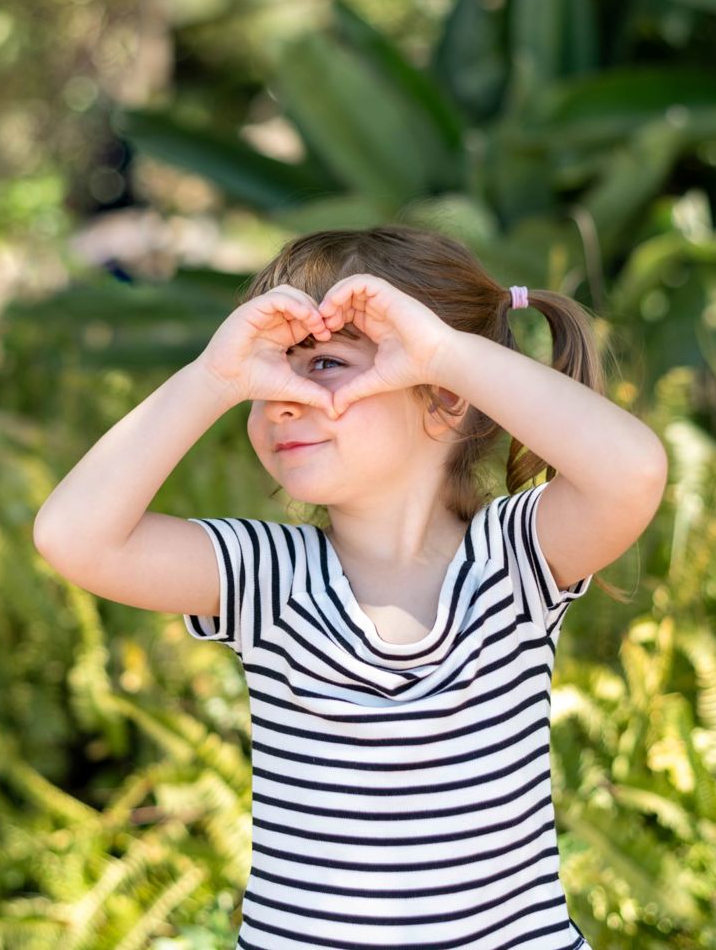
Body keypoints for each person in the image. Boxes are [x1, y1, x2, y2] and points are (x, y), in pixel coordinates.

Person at [33, 224, 669, 950]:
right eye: (269, 375)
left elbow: (634, 472)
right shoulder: (265, 580)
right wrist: (213, 377)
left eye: (326, 364)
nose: (281, 400)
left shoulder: (514, 562)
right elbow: (71, 536)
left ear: (445, 399)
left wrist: (446, 353)